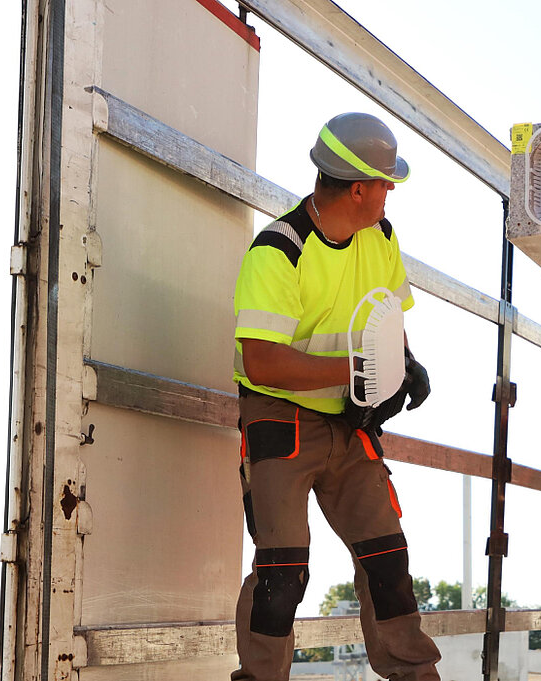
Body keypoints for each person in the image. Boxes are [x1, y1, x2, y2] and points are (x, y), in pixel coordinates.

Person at [229, 112, 439, 681]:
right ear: (356, 188)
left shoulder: (382, 238)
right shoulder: (278, 250)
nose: (391, 191)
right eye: (384, 182)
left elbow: (390, 317)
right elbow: (262, 361)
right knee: (283, 571)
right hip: (280, 416)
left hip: (348, 421)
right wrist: (358, 371)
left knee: (387, 560)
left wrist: (403, 365)